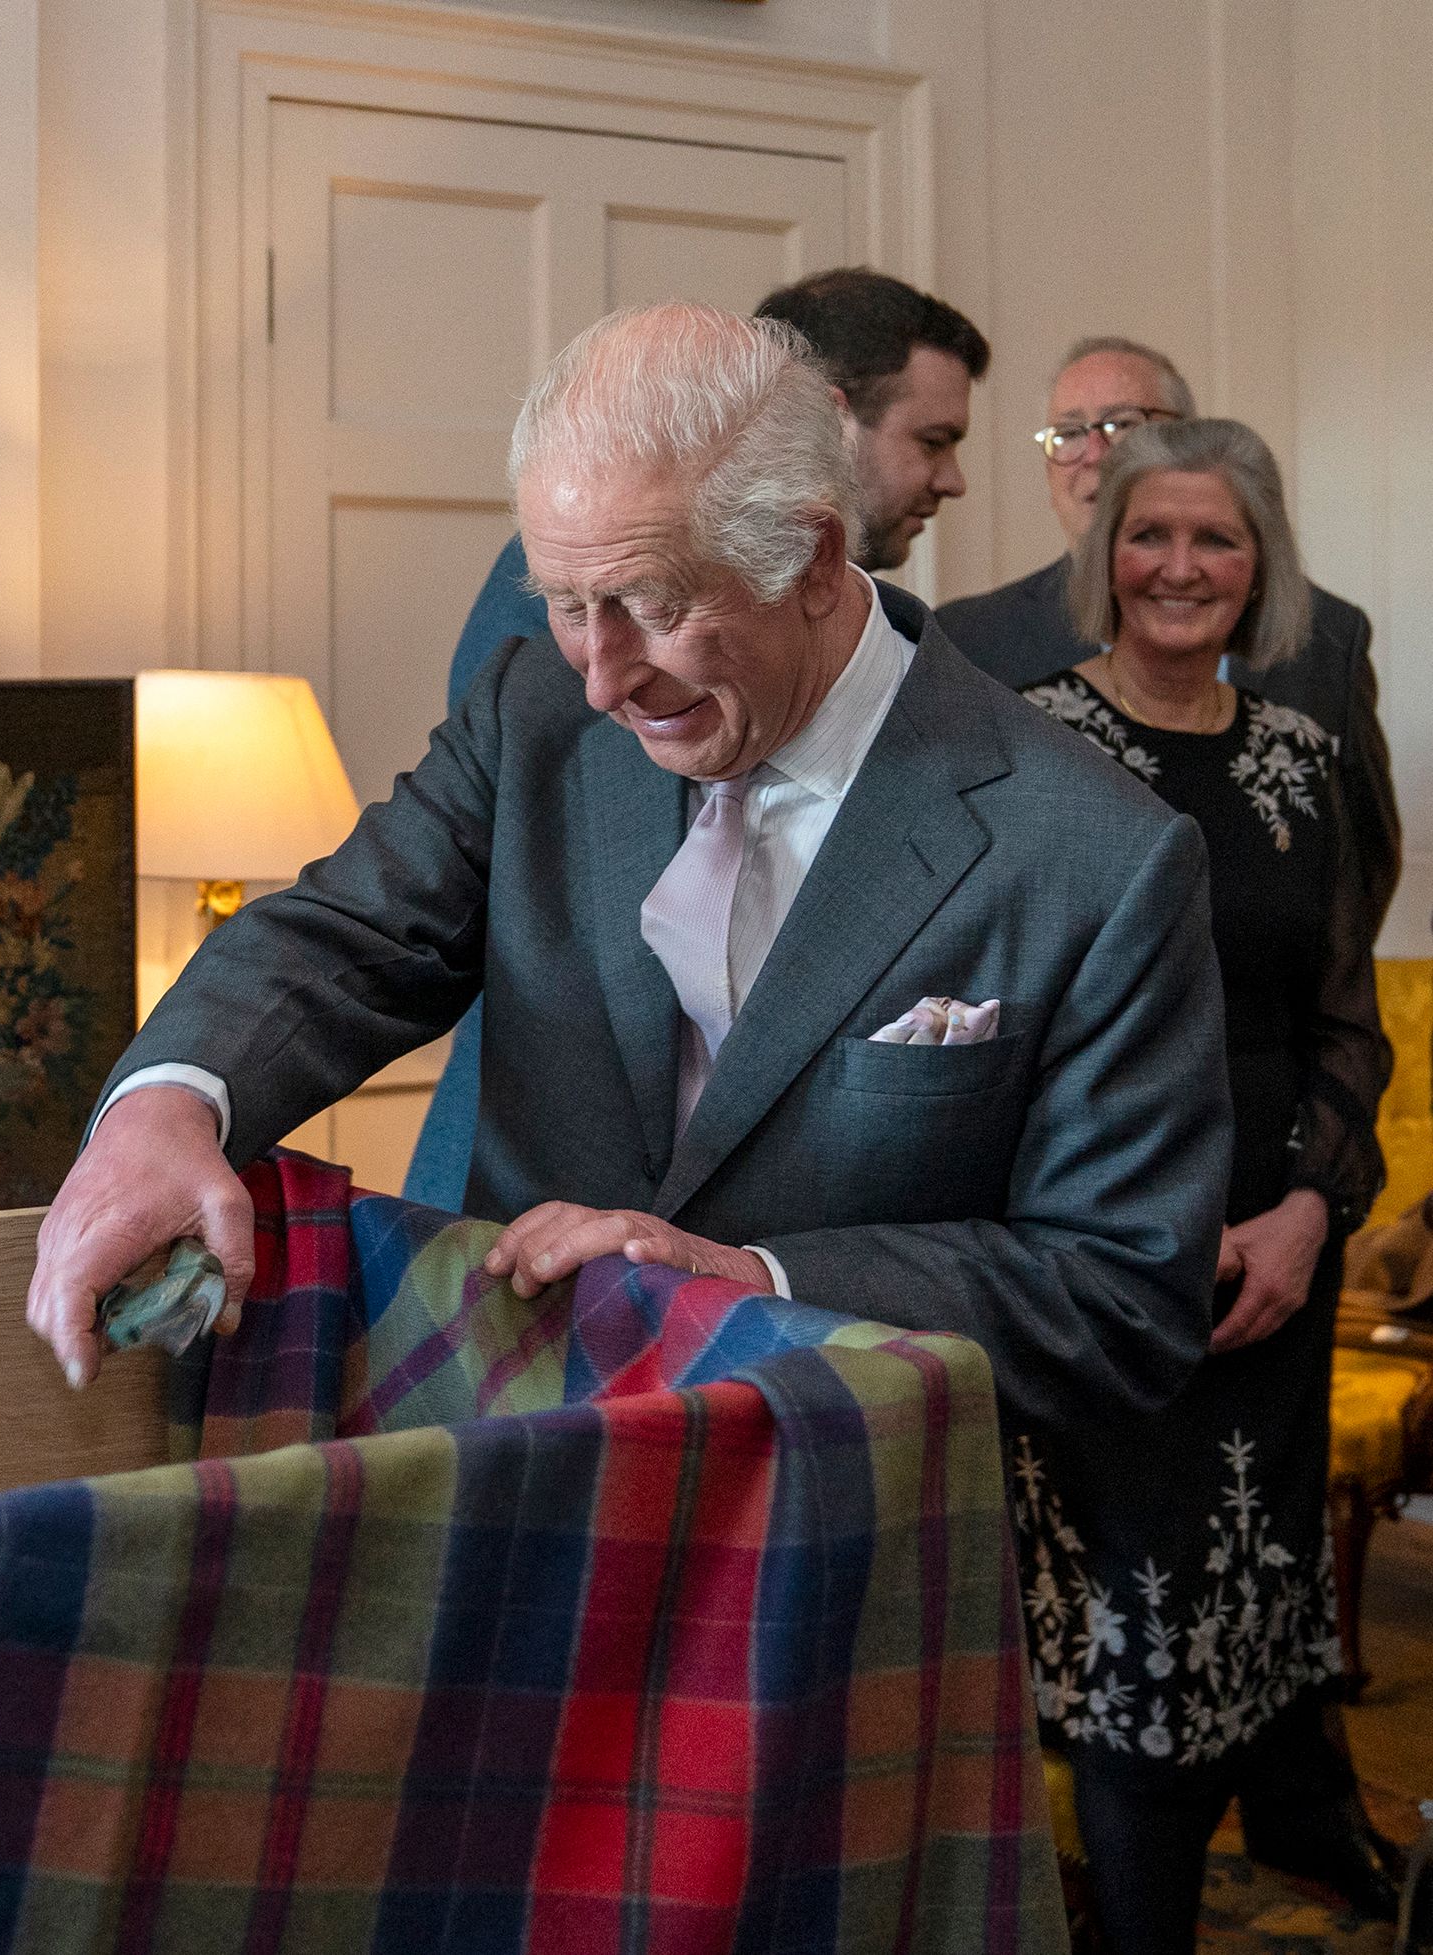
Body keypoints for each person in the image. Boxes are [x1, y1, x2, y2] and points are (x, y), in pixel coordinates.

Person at [29, 301, 1228, 1458]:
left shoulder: (1096, 853)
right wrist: (166, 1105)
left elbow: (1118, 1298)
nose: (602, 677)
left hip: (832, 1535)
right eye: (564, 603)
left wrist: (757, 1285)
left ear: (813, 557)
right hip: (505, 1462)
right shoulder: (537, 712)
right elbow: (344, 936)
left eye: (652, 606)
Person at [1014, 418, 1395, 1946]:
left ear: (1262, 567)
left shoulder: (1306, 761)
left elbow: (1345, 1025)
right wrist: (1112, 1237)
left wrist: (1310, 1211)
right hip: (1094, 1255)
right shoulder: (1021, 739)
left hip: (1278, 1255)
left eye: (1215, 539)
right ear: (1102, 555)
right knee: (1137, 1613)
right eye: (1149, 534)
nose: (1180, 566)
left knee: (1258, 1579)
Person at [407, 267, 989, 1208]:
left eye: (658, 605)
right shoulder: (573, 620)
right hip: (523, 1194)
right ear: (831, 425)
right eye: (932, 439)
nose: (950, 479)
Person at [936, 337, 1399, 940]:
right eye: (1067, 433)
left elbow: (1358, 870)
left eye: (1121, 425)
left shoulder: (1328, 635)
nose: (1093, 454)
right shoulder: (968, 641)